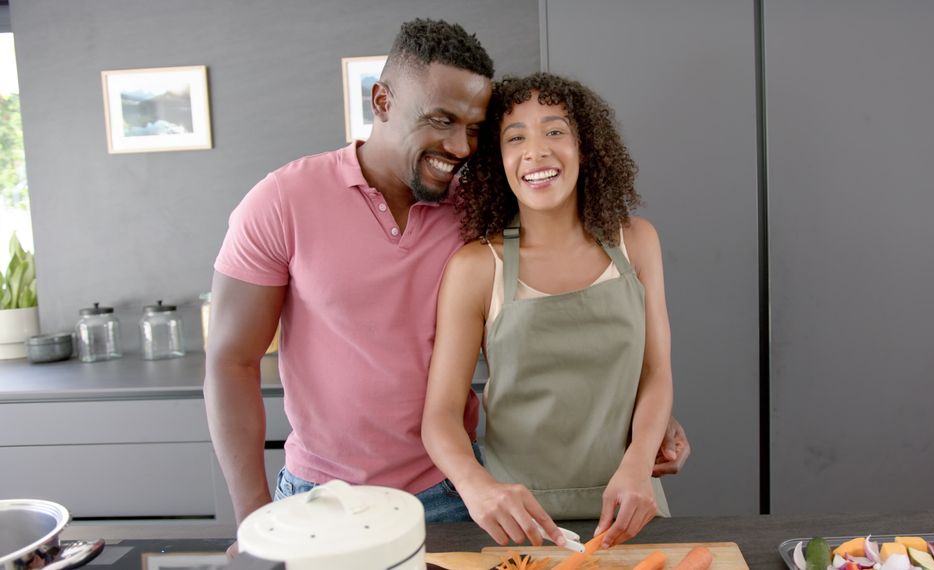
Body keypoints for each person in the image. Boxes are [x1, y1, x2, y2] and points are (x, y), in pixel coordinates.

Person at [204, 18, 690, 548]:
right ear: (383, 102)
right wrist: (252, 523)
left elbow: (574, 313)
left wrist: (646, 425)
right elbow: (231, 362)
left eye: (475, 127)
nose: (460, 146)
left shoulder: (477, 207)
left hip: (454, 492)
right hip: (322, 495)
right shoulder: (282, 201)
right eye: (441, 120)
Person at [422, 72, 674, 550]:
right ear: (499, 160)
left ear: (586, 147)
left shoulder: (637, 242)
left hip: (630, 503)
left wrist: (639, 464)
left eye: (554, 131)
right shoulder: (477, 266)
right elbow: (440, 415)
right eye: (515, 138)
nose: (535, 152)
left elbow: (656, 373)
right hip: (515, 518)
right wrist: (479, 491)